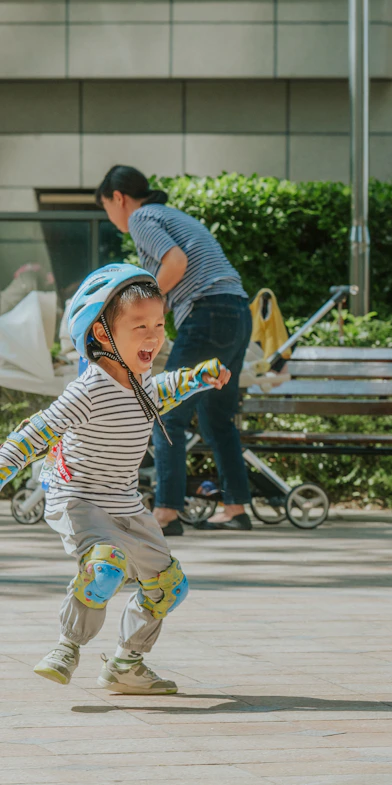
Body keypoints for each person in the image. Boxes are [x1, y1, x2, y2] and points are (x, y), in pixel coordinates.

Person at [1, 264, 229, 693]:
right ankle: (67, 645)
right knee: (105, 568)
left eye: (159, 324)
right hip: (79, 499)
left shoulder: (139, 382)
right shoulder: (88, 390)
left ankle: (127, 663)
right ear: (103, 335)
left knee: (168, 585)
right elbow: (37, 430)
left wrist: (198, 377)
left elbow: (163, 390)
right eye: (139, 325)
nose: (153, 336)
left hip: (125, 503)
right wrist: (5, 464)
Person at [95, 166, 252, 535]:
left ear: (118, 198)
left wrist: (134, 310)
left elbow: (176, 264)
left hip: (209, 312)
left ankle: (166, 511)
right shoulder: (170, 214)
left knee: (165, 412)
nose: (111, 216)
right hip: (236, 312)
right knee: (217, 416)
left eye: (106, 207)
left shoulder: (142, 217)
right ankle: (236, 507)